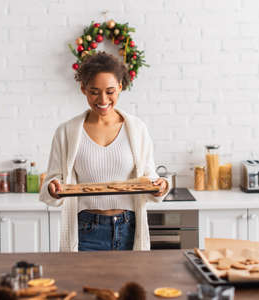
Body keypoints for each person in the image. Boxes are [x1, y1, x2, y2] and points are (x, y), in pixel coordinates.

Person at [39, 52, 169, 252]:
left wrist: (160, 185)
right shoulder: (67, 132)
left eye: (110, 91)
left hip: (128, 228)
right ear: (83, 89)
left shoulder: (136, 129)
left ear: (120, 87)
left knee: (130, 284)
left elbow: (148, 176)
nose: (102, 99)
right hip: (86, 231)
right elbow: (52, 181)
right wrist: (52, 188)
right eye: (94, 91)